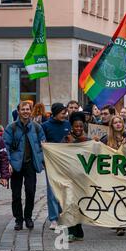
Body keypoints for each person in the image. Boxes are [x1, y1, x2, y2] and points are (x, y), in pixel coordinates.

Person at [3, 101, 46, 231]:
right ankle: (18, 220)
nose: (26, 111)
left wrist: (41, 160)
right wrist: (8, 163)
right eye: (23, 109)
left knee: (31, 192)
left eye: (28, 109)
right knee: (16, 195)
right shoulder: (11, 128)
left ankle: (28, 217)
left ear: (31, 111)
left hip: (30, 165)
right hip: (16, 166)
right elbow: (6, 147)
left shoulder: (37, 127)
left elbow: (43, 145)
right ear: (19, 111)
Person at [41, 103, 71, 230]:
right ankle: (53, 219)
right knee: (52, 191)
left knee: (64, 190)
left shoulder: (68, 125)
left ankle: (62, 213)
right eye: (62, 113)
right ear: (55, 113)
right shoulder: (45, 126)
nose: (65, 115)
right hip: (51, 163)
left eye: (65, 113)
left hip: (66, 163)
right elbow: (42, 144)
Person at [61, 111, 90, 242]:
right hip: (68, 176)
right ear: (72, 127)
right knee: (69, 204)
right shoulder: (66, 139)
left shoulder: (88, 140)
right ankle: (71, 231)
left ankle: (78, 230)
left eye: (80, 126)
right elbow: (59, 154)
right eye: (76, 126)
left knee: (79, 204)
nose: (78, 129)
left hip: (82, 177)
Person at [100, 115, 126, 236]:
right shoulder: (106, 139)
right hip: (112, 173)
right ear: (111, 125)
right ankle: (118, 224)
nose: (118, 124)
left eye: (120, 122)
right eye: (115, 122)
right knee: (115, 198)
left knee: (124, 198)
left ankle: (122, 222)